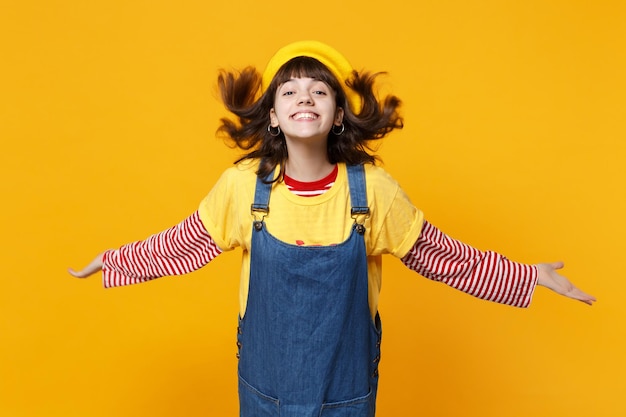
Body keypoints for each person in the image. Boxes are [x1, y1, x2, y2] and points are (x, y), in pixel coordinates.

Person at [69, 40, 595, 417]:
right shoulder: (243, 188)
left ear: (338, 115)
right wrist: (116, 262)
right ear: (272, 115)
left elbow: (443, 257)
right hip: (263, 394)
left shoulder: (372, 193)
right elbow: (182, 245)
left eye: (319, 91)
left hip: (347, 396)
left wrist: (530, 277)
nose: (305, 99)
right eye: (291, 91)